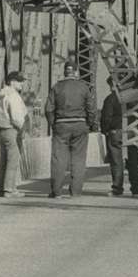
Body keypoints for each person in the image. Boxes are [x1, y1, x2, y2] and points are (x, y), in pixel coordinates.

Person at [45, 55, 97, 198]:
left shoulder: (56, 87)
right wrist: (90, 124)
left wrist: (53, 124)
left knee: (58, 159)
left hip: (61, 125)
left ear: (64, 72)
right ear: (76, 72)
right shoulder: (84, 87)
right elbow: (91, 109)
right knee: (78, 160)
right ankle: (75, 191)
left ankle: (56, 192)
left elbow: (49, 109)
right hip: (80, 124)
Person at [100, 77, 138, 197]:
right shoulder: (133, 99)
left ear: (113, 85)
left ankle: (117, 188)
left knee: (116, 162)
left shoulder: (110, 99)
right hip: (131, 130)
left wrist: (105, 131)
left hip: (116, 132)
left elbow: (106, 117)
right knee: (132, 161)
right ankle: (136, 189)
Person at [0, 70, 28, 198]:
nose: (22, 83)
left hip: (0, 130)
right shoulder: (14, 96)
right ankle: (9, 190)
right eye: (19, 81)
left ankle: (1, 188)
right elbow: (17, 117)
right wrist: (22, 128)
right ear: (12, 82)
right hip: (11, 130)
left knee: (4, 160)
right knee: (13, 160)